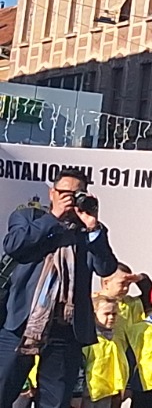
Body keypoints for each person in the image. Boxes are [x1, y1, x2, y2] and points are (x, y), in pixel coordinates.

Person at [0, 169, 119, 408]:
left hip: (65, 327)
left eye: (78, 194)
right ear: (52, 193)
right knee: (2, 389)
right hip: (22, 321)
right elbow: (14, 246)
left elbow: (106, 268)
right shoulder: (29, 217)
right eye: (66, 193)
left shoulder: (90, 230)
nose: (71, 199)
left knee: (55, 402)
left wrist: (93, 228)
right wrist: (53, 218)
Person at [79, 294, 129, 408]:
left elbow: (122, 364)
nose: (111, 317)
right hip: (89, 393)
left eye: (114, 314)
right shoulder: (88, 339)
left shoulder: (117, 338)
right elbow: (80, 367)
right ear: (94, 315)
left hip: (110, 392)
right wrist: (77, 393)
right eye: (107, 314)